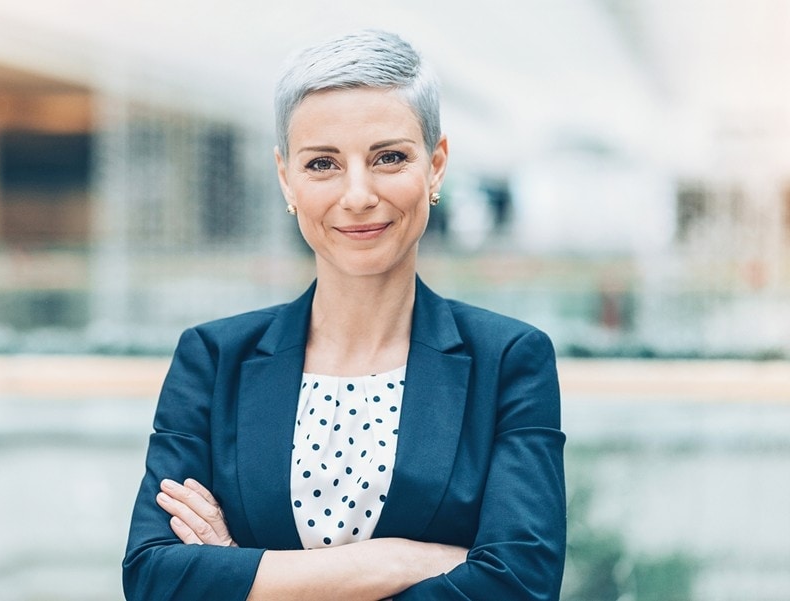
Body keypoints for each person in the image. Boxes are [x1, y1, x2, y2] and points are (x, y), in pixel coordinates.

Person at [122, 29, 565, 600]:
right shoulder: (213, 359)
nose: (357, 195)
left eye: (389, 158)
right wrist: (402, 560)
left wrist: (238, 571)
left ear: (435, 166)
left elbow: (521, 586)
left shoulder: (508, 360)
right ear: (287, 178)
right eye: (323, 164)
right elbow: (155, 579)